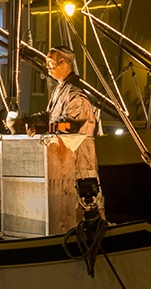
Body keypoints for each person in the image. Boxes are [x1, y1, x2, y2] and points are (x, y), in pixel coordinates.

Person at [32, 46, 102, 219]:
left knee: (85, 203)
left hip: (79, 158)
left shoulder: (75, 94)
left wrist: (42, 129)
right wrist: (28, 120)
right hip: (65, 158)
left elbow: (70, 126)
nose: (47, 66)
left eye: (50, 62)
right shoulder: (60, 89)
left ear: (62, 62)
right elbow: (50, 116)